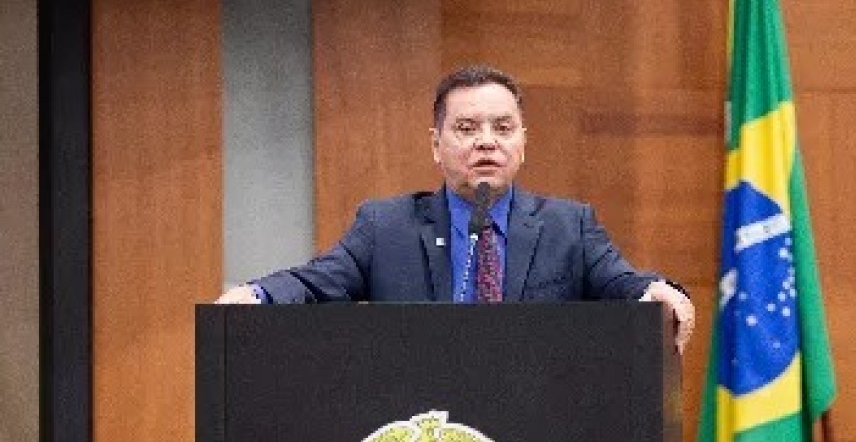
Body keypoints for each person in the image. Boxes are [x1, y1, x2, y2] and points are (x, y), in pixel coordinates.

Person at [217, 65, 695, 352]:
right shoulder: (385, 228)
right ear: (436, 145)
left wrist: (660, 292)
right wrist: (256, 295)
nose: (487, 142)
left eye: (503, 128)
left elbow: (624, 284)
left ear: (523, 142)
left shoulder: (569, 227)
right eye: (467, 129)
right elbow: (314, 283)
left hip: (539, 433)